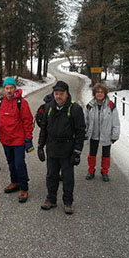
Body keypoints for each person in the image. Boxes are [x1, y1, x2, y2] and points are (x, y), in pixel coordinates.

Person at [37, 81, 85, 214]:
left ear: (67, 94)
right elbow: (44, 129)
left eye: (61, 94)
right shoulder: (49, 107)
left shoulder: (75, 109)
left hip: (67, 149)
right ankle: (51, 199)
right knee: (51, 175)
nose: (58, 96)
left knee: (67, 177)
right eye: (56, 93)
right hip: (52, 148)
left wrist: (77, 152)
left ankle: (68, 202)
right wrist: (40, 146)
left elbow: (81, 131)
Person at [0, 77, 34, 203]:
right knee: (10, 162)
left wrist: (28, 138)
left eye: (11, 88)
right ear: (4, 89)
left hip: (18, 139)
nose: (9, 90)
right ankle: (15, 182)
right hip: (5, 139)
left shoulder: (22, 103)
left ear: (15, 89)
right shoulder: (0, 102)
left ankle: (24, 187)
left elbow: (28, 122)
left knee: (19, 163)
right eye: (7, 88)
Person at [84, 83, 120, 182]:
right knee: (92, 154)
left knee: (106, 154)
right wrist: (84, 132)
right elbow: (85, 120)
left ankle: (105, 172)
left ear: (105, 93)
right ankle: (91, 170)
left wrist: (115, 135)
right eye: (97, 92)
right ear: (94, 94)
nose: (99, 94)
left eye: (101, 92)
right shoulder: (89, 106)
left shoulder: (111, 106)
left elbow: (116, 122)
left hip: (106, 135)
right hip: (93, 134)